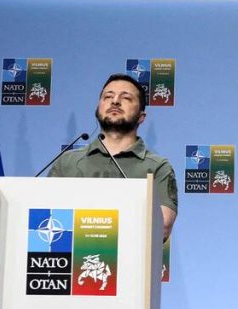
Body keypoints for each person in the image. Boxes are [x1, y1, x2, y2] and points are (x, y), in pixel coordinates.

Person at [49, 74, 178, 241]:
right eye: (108, 97)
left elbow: (162, 226)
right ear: (97, 110)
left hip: (131, 257)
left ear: (141, 117)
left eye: (126, 98)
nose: (115, 101)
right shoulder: (67, 162)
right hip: (72, 254)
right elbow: (45, 215)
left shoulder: (157, 167)